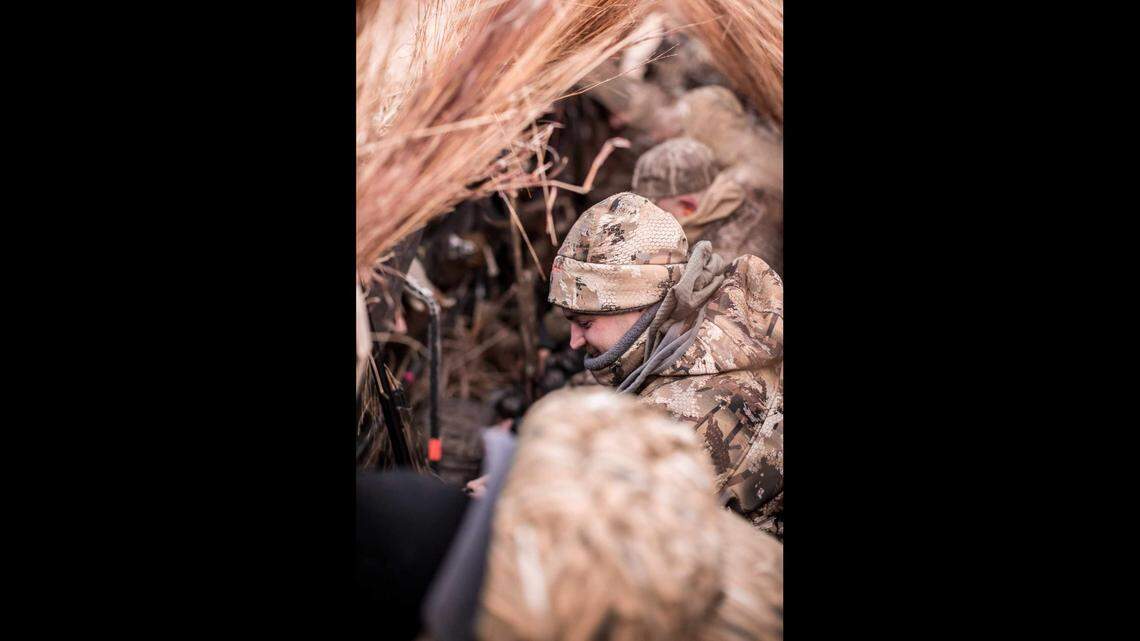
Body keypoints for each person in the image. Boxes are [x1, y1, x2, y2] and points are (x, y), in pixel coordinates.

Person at [548, 192, 783, 538]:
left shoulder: (691, 413)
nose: (574, 342)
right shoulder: (715, 330)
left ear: (644, 307)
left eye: (585, 323)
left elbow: (595, 543)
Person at [633, 137, 783, 275]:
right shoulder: (736, 211)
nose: (648, 218)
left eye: (655, 208)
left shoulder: (734, 259)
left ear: (687, 204)